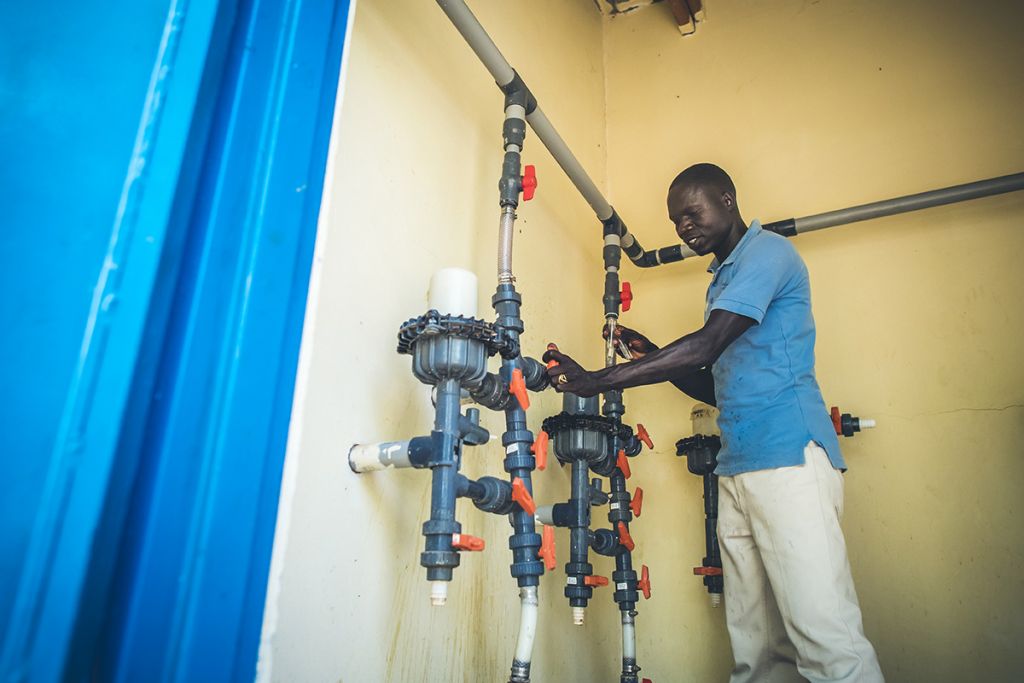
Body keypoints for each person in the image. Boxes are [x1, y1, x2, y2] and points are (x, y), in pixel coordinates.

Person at [542, 163, 884, 683]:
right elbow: (714, 385)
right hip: (739, 467)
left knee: (824, 634)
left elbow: (705, 346)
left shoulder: (767, 254)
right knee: (756, 644)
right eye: (676, 220)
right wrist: (654, 356)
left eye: (691, 212)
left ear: (727, 200)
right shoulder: (725, 279)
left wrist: (597, 380)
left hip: (789, 460)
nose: (683, 227)